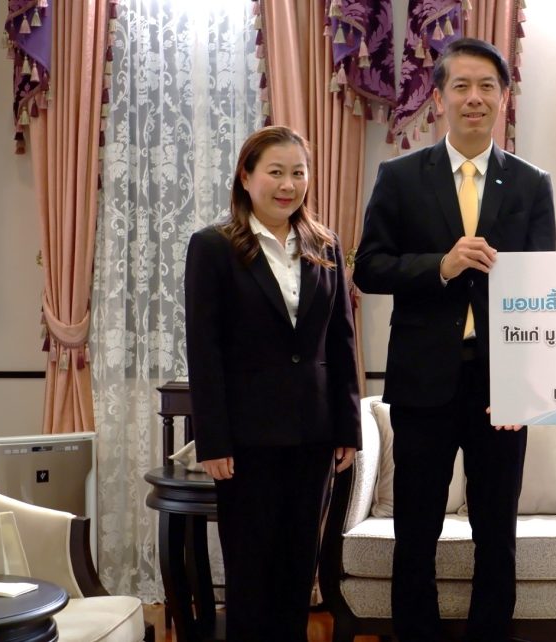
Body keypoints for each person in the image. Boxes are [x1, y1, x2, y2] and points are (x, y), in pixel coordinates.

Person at [353, 37, 556, 642]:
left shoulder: (531, 184)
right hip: (423, 381)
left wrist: (525, 386)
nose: (474, 98)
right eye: (461, 86)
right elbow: (369, 268)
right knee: (416, 530)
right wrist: (439, 267)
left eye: (487, 86)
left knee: (497, 531)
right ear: (439, 99)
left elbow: (541, 289)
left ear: (503, 98)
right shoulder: (400, 176)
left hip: (501, 387)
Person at [184, 125, 361, 641]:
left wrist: (347, 428)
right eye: (276, 172)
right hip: (246, 441)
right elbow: (204, 350)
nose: (288, 185)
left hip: (314, 436)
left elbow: (342, 342)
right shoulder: (213, 247)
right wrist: (213, 440)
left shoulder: (324, 244)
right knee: (251, 574)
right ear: (246, 177)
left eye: (298, 173)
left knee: (297, 572)